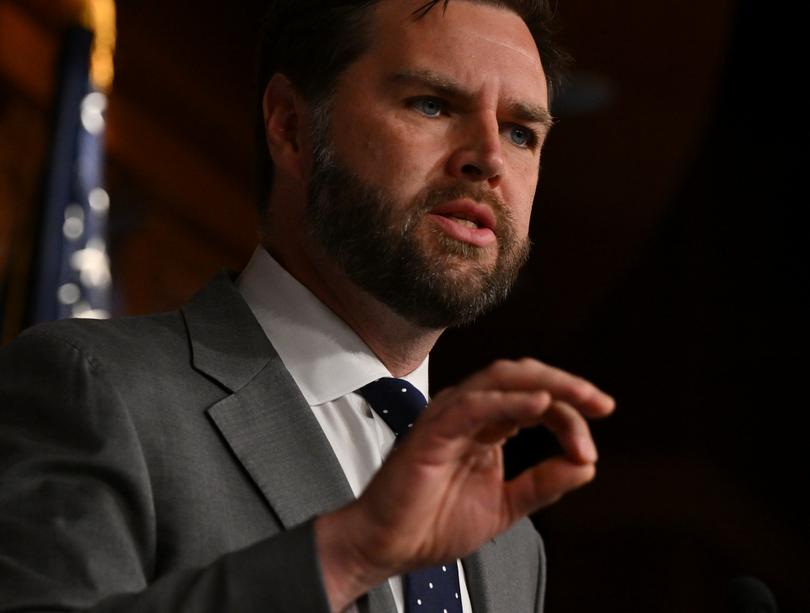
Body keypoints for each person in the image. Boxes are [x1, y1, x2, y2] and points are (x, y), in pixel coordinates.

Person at [0, 0, 615, 611]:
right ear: (292, 125)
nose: (489, 158)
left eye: (520, 133)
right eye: (432, 104)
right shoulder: (100, 391)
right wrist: (346, 554)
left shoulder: (512, 546)